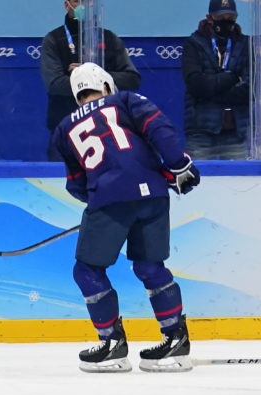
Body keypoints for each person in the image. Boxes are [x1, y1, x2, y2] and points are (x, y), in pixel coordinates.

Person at [49, 62, 200, 373]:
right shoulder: (127, 100)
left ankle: (112, 346)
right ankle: (176, 341)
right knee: (150, 266)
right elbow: (159, 130)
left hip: (108, 199)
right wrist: (178, 166)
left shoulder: (64, 128)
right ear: (106, 86)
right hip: (154, 195)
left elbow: (76, 183)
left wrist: (99, 202)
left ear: (77, 96)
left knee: (87, 271)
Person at [41, 0, 141, 161]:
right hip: (66, 129)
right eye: (77, 1)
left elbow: (132, 79)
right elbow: (54, 84)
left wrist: (94, 74)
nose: (83, 5)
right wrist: (84, 77)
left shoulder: (109, 38)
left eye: (87, 1)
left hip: (107, 129)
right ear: (67, 5)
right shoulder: (53, 39)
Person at [182, 0, 250, 160]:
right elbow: (196, 85)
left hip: (236, 132)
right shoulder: (193, 44)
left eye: (231, 16)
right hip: (201, 131)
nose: (227, 21)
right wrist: (233, 78)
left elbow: (250, 88)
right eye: (222, 16)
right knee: (198, 181)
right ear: (210, 17)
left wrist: (211, 90)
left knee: (240, 182)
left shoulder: (245, 44)